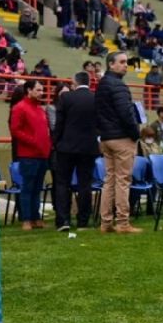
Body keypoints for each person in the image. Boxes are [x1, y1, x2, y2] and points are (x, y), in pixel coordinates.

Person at [95, 51, 142, 234]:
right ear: (111, 64)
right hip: (122, 138)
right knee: (123, 180)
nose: (125, 65)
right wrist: (135, 133)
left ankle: (106, 222)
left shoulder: (101, 85)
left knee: (110, 180)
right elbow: (126, 114)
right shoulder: (118, 86)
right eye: (122, 62)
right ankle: (123, 222)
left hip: (106, 138)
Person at [53, 71, 99, 231]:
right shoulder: (96, 99)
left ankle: (63, 220)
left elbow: (59, 124)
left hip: (67, 147)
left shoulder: (66, 98)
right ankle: (83, 221)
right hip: (89, 147)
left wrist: (56, 142)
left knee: (62, 183)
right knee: (85, 184)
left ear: (75, 82)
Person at [9, 80, 51, 231]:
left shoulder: (40, 109)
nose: (41, 93)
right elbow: (16, 130)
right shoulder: (19, 108)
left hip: (42, 155)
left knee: (37, 188)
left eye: (42, 90)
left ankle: (35, 217)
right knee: (28, 188)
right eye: (38, 90)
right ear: (29, 90)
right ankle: (26, 219)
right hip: (28, 155)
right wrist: (33, 141)